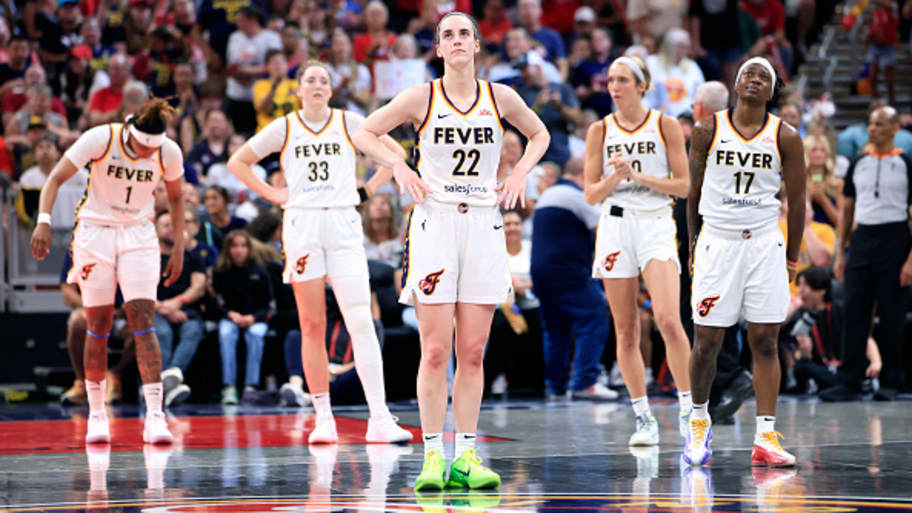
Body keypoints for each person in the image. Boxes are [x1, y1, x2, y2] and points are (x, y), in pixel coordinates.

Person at [352, 12, 549, 491]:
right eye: (448, 35)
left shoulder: (500, 97)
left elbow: (540, 134)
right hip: (435, 221)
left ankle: (466, 455)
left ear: (477, 45)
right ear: (438, 49)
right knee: (436, 349)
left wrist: (520, 170)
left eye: (464, 33)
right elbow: (363, 132)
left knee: (474, 350)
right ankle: (433, 457)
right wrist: (396, 163)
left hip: (484, 221)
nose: (457, 40)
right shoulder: (422, 96)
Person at [227, 60, 413, 444]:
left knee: (360, 319)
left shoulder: (349, 122)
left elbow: (395, 153)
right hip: (303, 225)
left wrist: (367, 190)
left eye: (323, 80)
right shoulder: (285, 126)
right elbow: (238, 161)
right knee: (311, 324)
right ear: (299, 89)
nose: (316, 84)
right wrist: (273, 194)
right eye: (309, 79)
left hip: (344, 223)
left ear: (331, 89)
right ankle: (323, 417)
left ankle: (378, 416)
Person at [30, 98, 187, 445]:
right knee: (96, 323)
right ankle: (97, 414)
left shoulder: (168, 151)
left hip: (138, 232)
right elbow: (55, 178)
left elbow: (176, 199)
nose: (148, 154)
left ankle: (156, 417)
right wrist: (42, 221)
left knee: (144, 320)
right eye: (143, 147)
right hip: (95, 231)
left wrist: (178, 245)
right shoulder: (101, 138)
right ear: (130, 132)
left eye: (153, 149)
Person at [685, 57, 806, 467]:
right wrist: (691, 244)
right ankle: (698, 422)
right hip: (717, 242)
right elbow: (693, 193)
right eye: (748, 75)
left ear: (773, 91)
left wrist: (791, 257)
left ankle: (766, 436)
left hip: (764, 244)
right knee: (706, 343)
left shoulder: (786, 136)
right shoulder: (707, 129)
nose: (754, 80)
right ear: (736, 85)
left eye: (763, 77)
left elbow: (799, 201)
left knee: (766, 340)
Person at [582, 56, 692, 446]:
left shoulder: (664, 125)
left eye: (623, 79)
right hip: (615, 225)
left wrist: (637, 175)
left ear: (642, 85)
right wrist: (616, 176)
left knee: (667, 319)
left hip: (655, 222)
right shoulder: (600, 129)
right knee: (625, 329)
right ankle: (643, 417)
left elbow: (683, 186)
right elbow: (591, 193)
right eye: (610, 79)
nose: (614, 86)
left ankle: (690, 410)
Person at [823, 105, 912, 402]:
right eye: (871, 124)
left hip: (895, 239)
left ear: (894, 128)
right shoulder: (858, 163)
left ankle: (892, 379)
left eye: (880, 124)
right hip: (862, 240)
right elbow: (846, 209)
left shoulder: (906, 163)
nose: (873, 129)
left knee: (892, 314)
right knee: (854, 312)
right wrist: (840, 253)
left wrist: (910, 259)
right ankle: (849, 380)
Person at [530, 158, 615, 401]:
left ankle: (556, 385)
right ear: (583, 175)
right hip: (566, 270)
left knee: (557, 329)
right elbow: (603, 228)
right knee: (595, 315)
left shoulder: (550, 194)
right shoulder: (575, 194)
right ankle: (585, 381)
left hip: (542, 271)